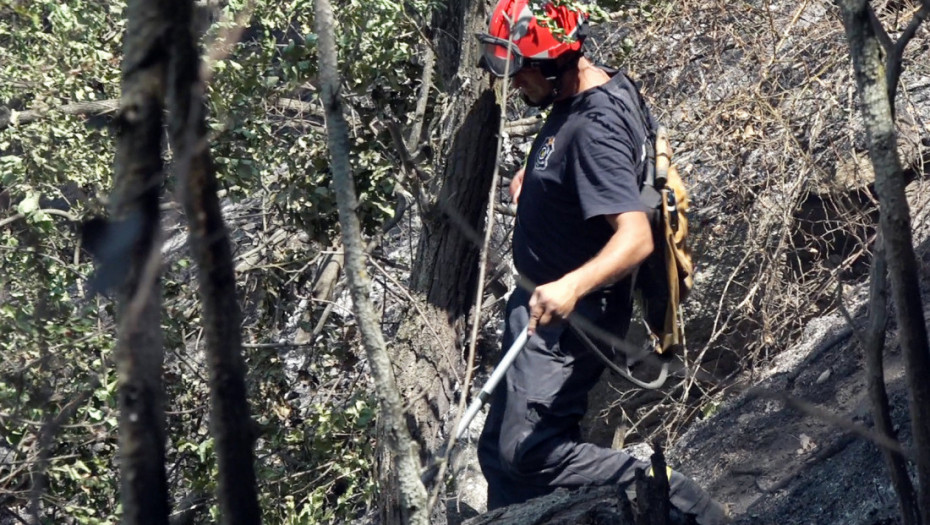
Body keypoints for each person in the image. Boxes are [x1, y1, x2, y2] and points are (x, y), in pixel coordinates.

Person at [475, 1, 728, 523]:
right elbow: (591, 167)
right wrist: (542, 180)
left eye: (520, 68)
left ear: (551, 64)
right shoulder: (599, 87)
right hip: (542, 302)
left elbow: (635, 239)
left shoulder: (594, 128)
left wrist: (568, 288)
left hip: (568, 315)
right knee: (497, 454)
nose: (513, 82)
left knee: (529, 452)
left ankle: (682, 502)